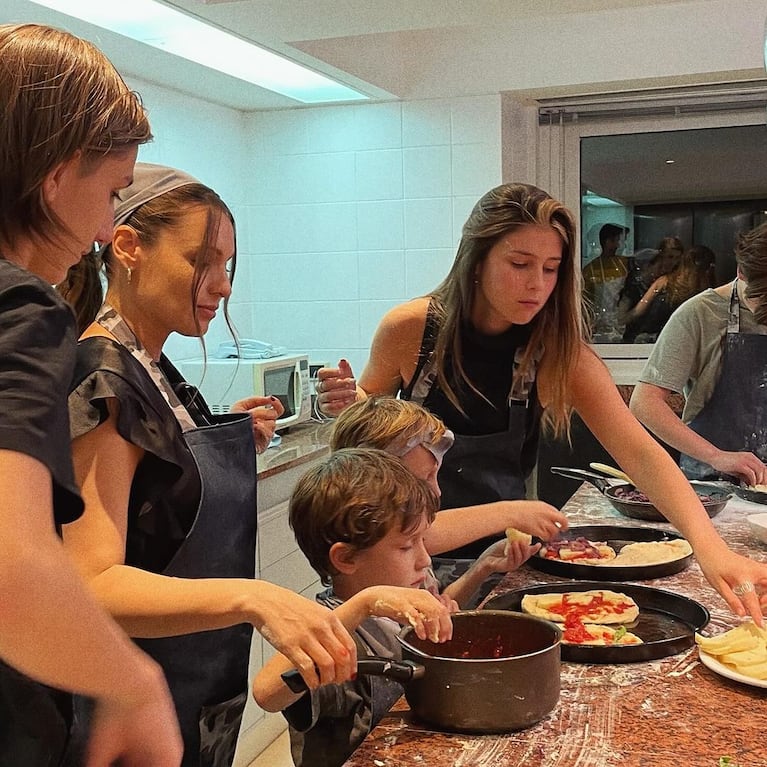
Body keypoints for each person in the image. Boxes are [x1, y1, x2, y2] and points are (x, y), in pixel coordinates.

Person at [316, 182, 767, 622]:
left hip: (502, 561)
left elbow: (642, 454)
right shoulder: (411, 329)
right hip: (403, 562)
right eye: (520, 263)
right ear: (476, 260)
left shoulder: (555, 349)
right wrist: (346, 401)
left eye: (550, 269)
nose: (536, 284)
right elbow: (363, 441)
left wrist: (714, 552)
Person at [61, 163, 357, 766]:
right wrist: (254, 598)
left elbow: (157, 493)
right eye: (203, 260)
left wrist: (226, 433)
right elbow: (92, 583)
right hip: (133, 706)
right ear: (128, 247)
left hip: (194, 691)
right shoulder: (105, 375)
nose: (221, 286)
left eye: (226, 266)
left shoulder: (149, 363)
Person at [0, 22, 183, 767]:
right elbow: (11, 562)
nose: (108, 228)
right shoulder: (20, 308)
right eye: (110, 192)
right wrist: (131, 681)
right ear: (57, 172)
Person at [251, 448, 456, 767]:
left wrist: (484, 566)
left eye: (422, 542)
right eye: (406, 547)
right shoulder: (337, 629)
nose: (424, 559)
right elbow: (267, 692)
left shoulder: (396, 607)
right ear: (346, 558)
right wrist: (364, 603)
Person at [329, 395, 567, 606]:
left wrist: (483, 566)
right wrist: (510, 513)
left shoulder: (410, 556)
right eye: (423, 479)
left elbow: (439, 606)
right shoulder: (373, 582)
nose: (437, 492)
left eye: (436, 474)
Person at [630, 225, 767, 487]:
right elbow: (645, 403)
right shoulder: (699, 314)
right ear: (741, 273)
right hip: (713, 485)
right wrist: (716, 456)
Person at [581, 222, 630, 341]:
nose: (624, 245)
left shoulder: (628, 264)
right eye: (620, 241)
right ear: (609, 242)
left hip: (626, 323)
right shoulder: (590, 270)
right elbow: (586, 304)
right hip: (601, 329)